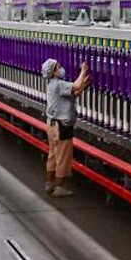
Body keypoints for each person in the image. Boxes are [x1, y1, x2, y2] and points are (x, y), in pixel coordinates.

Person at [42, 58, 90, 197]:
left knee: (53, 154)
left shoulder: (54, 84)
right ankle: (59, 187)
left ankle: (49, 184)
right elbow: (75, 85)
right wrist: (83, 71)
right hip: (61, 127)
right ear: (53, 72)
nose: (62, 68)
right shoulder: (58, 84)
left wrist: (84, 85)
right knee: (63, 157)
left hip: (52, 125)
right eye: (59, 67)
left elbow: (74, 93)